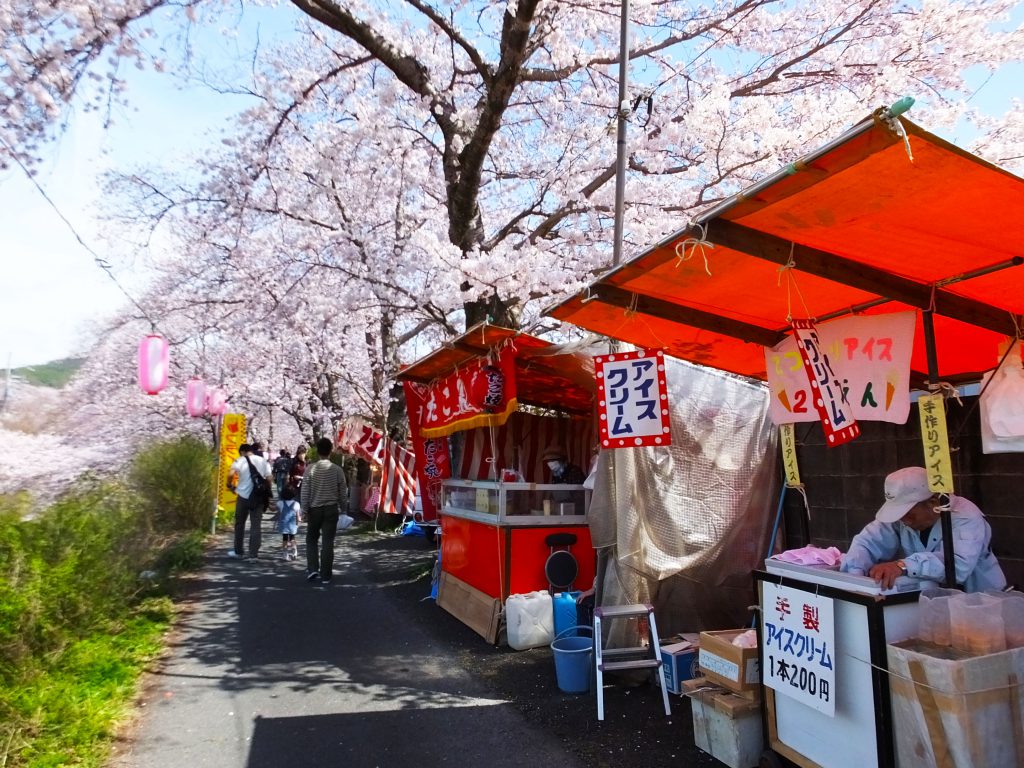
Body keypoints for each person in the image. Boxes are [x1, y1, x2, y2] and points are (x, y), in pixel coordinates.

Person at [840, 466, 1006, 592]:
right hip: (936, 602)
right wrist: (854, 576)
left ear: (933, 503)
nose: (903, 520)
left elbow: (958, 566)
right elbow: (868, 541)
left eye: (908, 514)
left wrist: (902, 566)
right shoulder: (902, 519)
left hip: (980, 602)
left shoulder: (966, 517)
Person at [300, 438, 349, 584]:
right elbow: (343, 492)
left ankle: (313, 569)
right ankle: (326, 575)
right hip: (331, 509)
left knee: (311, 539)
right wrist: (344, 509)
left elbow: (305, 490)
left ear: (317, 451)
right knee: (328, 541)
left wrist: (304, 509)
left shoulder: (311, 469)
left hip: (314, 509)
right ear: (331, 451)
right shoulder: (337, 470)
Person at [228, 444, 273, 560]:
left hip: (242, 496)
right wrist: (266, 490)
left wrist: (230, 485)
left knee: (239, 524)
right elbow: (269, 478)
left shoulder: (240, 460)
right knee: (256, 525)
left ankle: (238, 551)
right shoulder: (263, 461)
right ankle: (253, 555)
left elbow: (231, 474)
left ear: (242, 451)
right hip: (257, 497)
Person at [276, 486, 302, 561]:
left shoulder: (280, 503)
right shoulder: (296, 504)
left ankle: (285, 554)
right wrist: (298, 523)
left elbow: (273, 508)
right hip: (292, 525)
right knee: (292, 539)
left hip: (283, 525)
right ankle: (295, 552)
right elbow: (298, 516)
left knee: (284, 539)